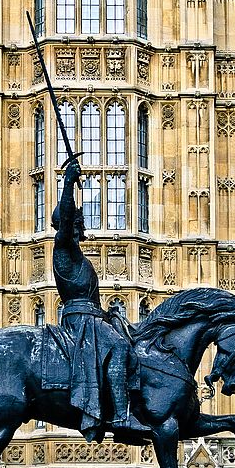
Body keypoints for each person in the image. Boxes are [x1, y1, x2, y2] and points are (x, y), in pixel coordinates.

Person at [51, 156, 144, 443]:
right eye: (78, 221)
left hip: (93, 316)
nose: (81, 225)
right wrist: (68, 183)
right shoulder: (64, 248)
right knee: (117, 347)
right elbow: (64, 220)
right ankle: (120, 415)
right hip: (80, 320)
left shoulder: (76, 255)